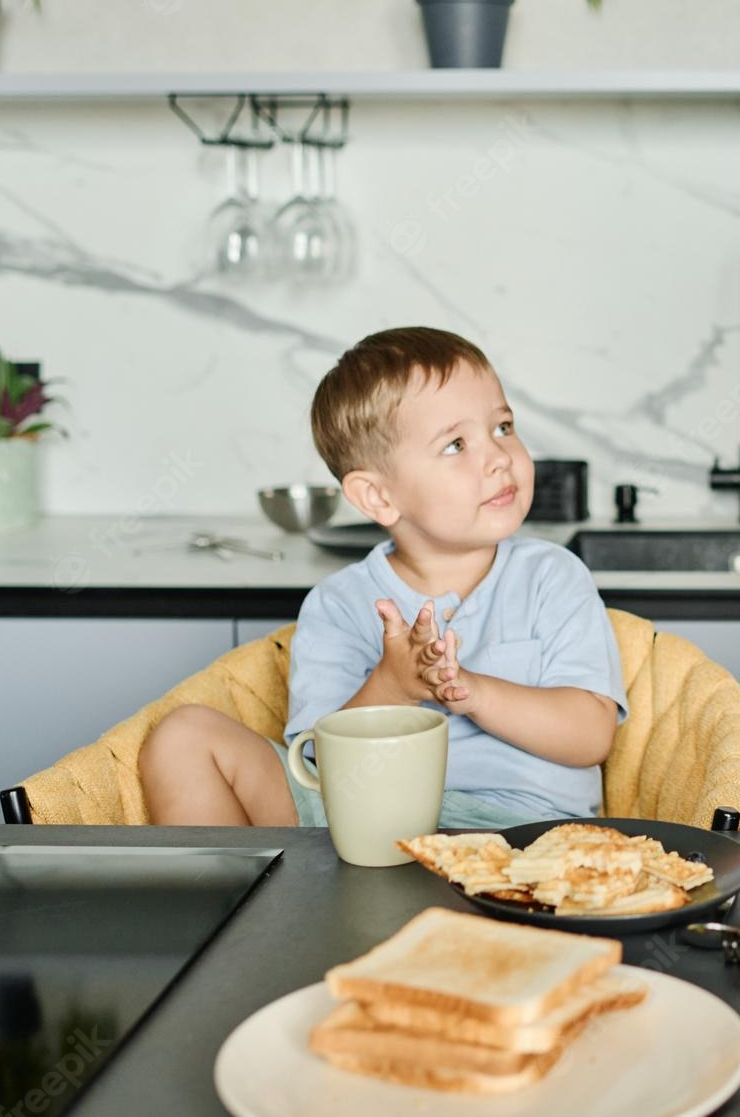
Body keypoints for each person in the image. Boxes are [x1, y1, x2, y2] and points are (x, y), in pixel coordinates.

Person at [139, 327, 625, 826]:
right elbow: (317, 768)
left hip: (516, 834)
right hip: (368, 826)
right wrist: (393, 686)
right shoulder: (340, 605)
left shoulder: (551, 576)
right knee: (183, 736)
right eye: (457, 444)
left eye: (502, 427)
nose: (499, 457)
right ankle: (246, 902)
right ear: (378, 497)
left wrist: (472, 692)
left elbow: (591, 736)